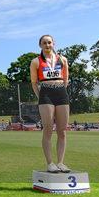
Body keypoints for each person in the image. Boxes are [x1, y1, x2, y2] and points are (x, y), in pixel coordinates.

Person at [30, 34, 70, 173]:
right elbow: (34, 83)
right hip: (45, 94)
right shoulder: (36, 61)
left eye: (49, 42)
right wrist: (40, 95)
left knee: (62, 131)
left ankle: (61, 163)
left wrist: (60, 90)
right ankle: (50, 163)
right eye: (44, 43)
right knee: (48, 129)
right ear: (40, 45)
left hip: (61, 93)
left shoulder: (63, 60)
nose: (47, 45)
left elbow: (65, 79)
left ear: (54, 44)